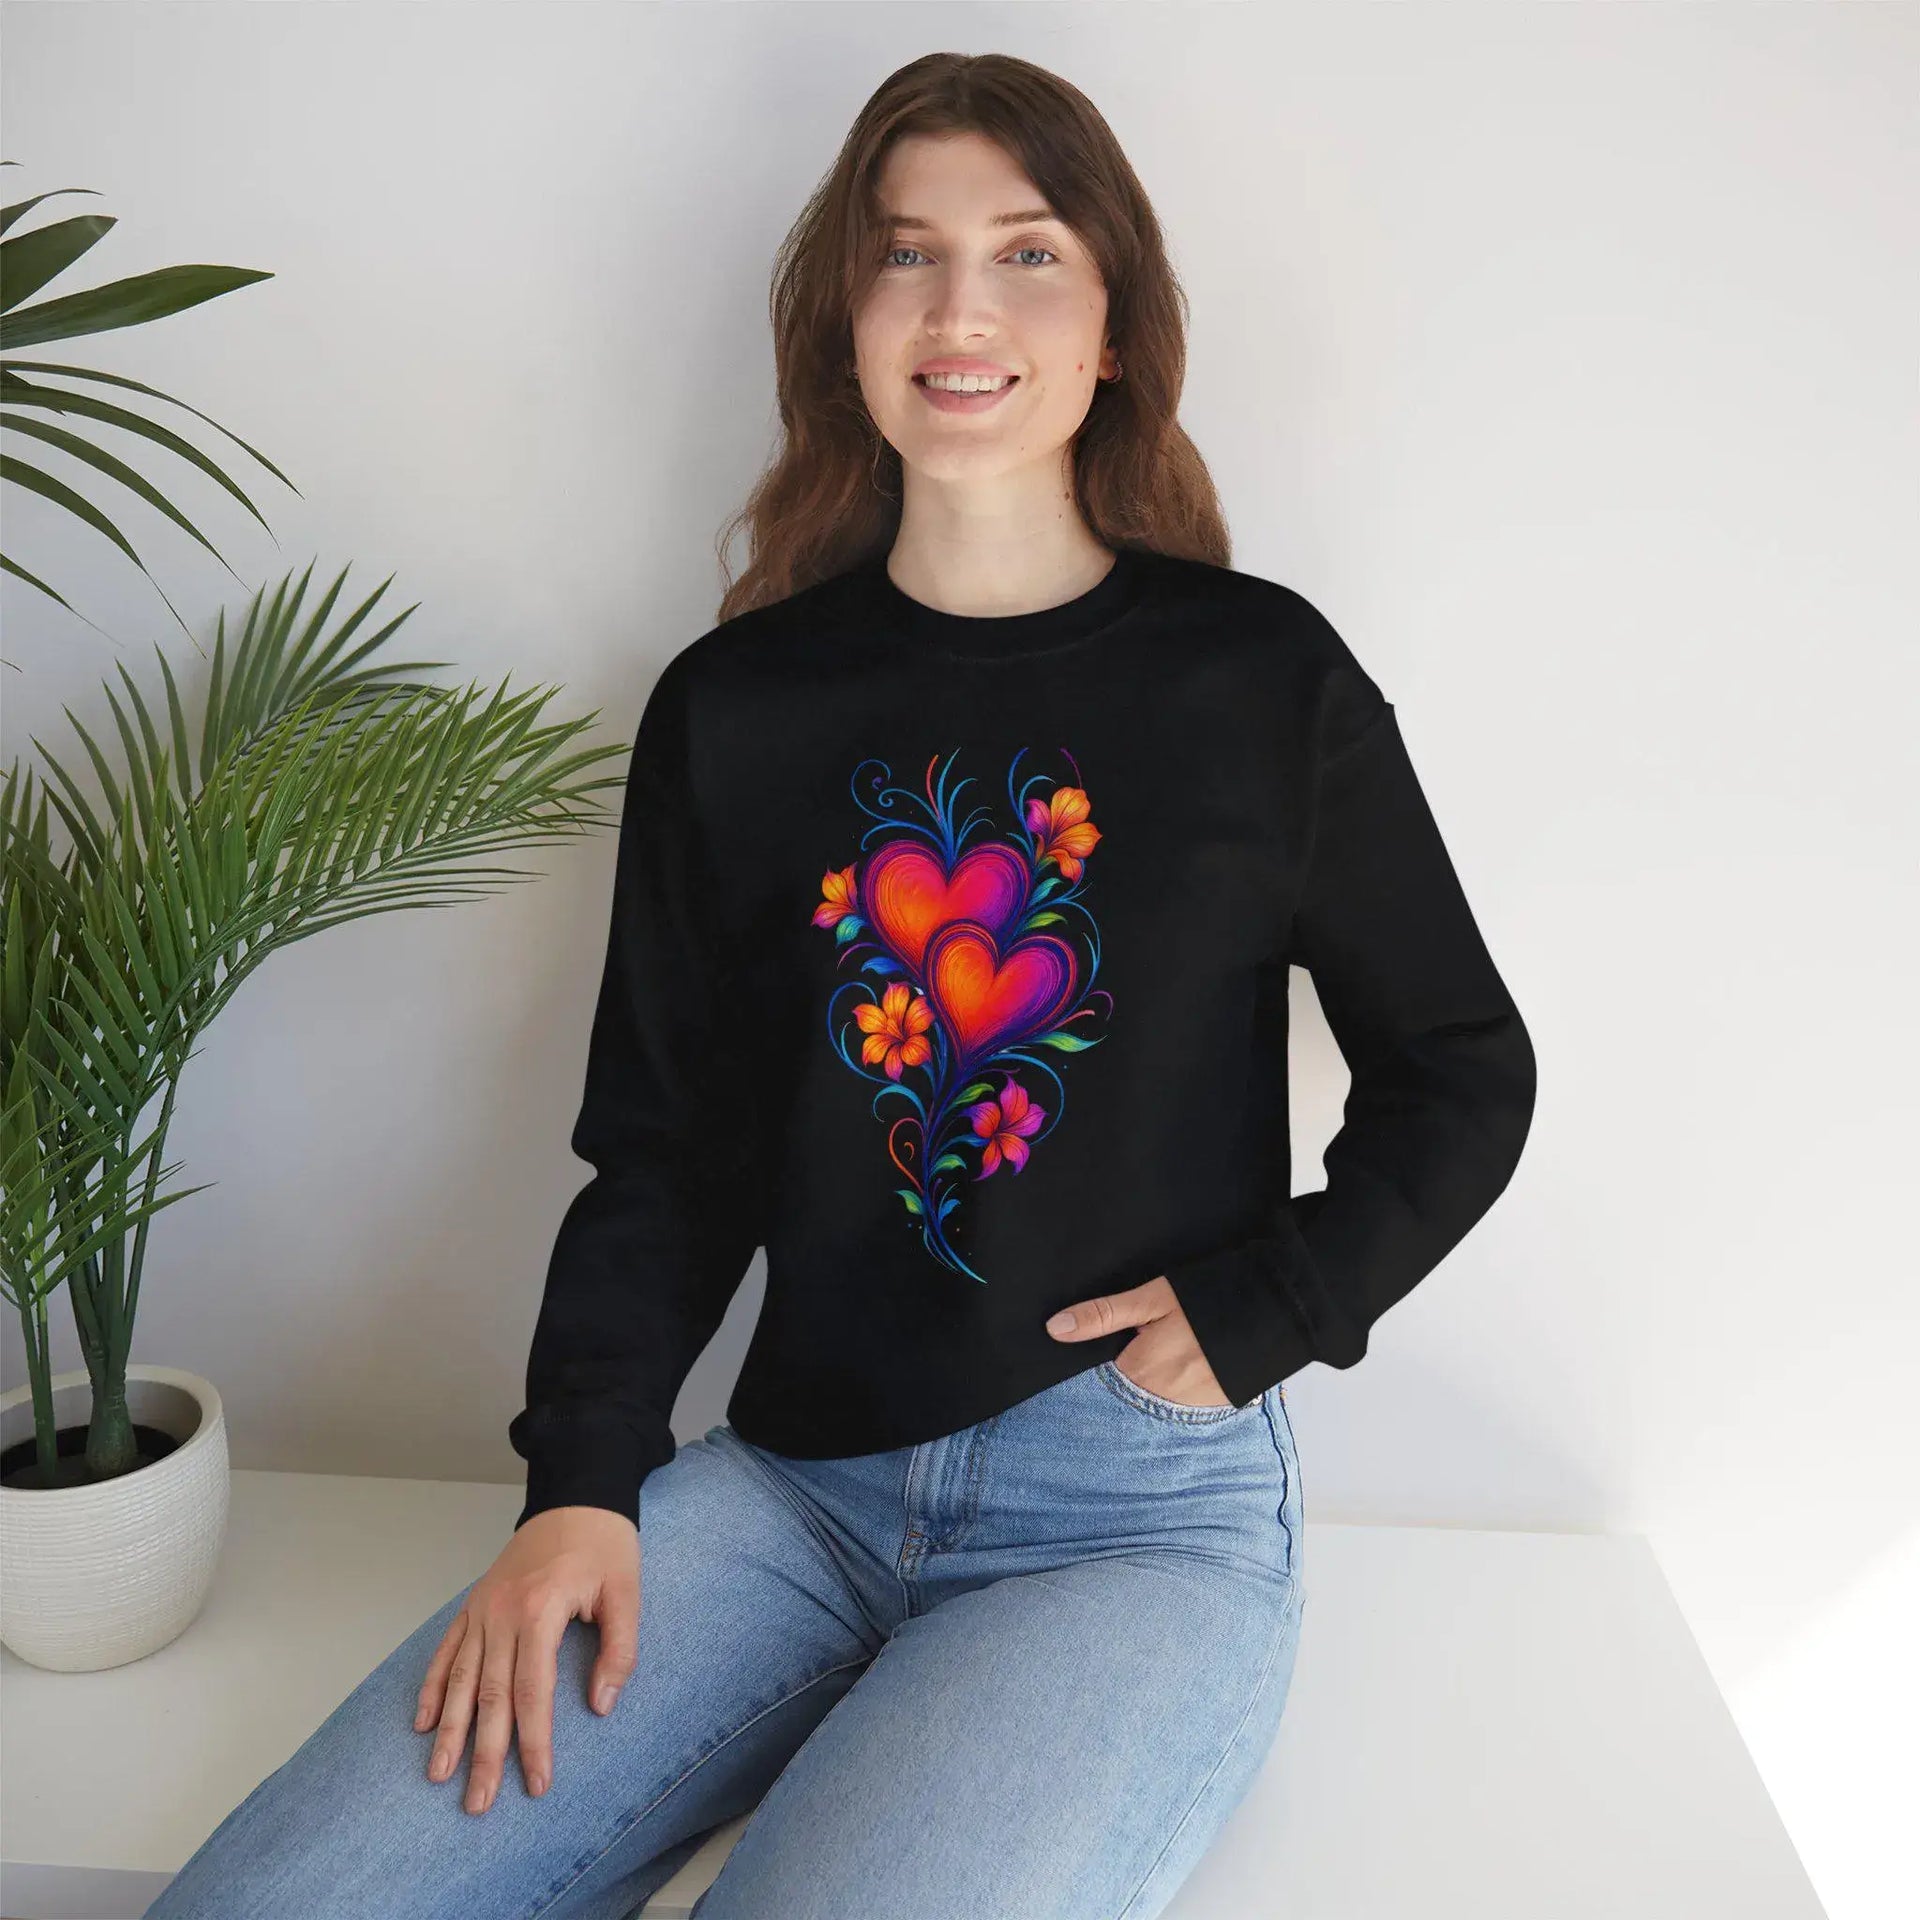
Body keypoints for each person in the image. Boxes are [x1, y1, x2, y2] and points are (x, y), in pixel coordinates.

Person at [144, 51, 1536, 1920]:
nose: (961, 308)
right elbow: (667, 1151)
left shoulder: (1261, 682)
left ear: (1115, 327)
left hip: (1128, 1518)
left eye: (1027, 253)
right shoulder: (736, 709)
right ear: (846, 322)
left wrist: (1274, 1302)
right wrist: (581, 1483)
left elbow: (1462, 1066)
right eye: (905, 254)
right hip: (786, 1489)